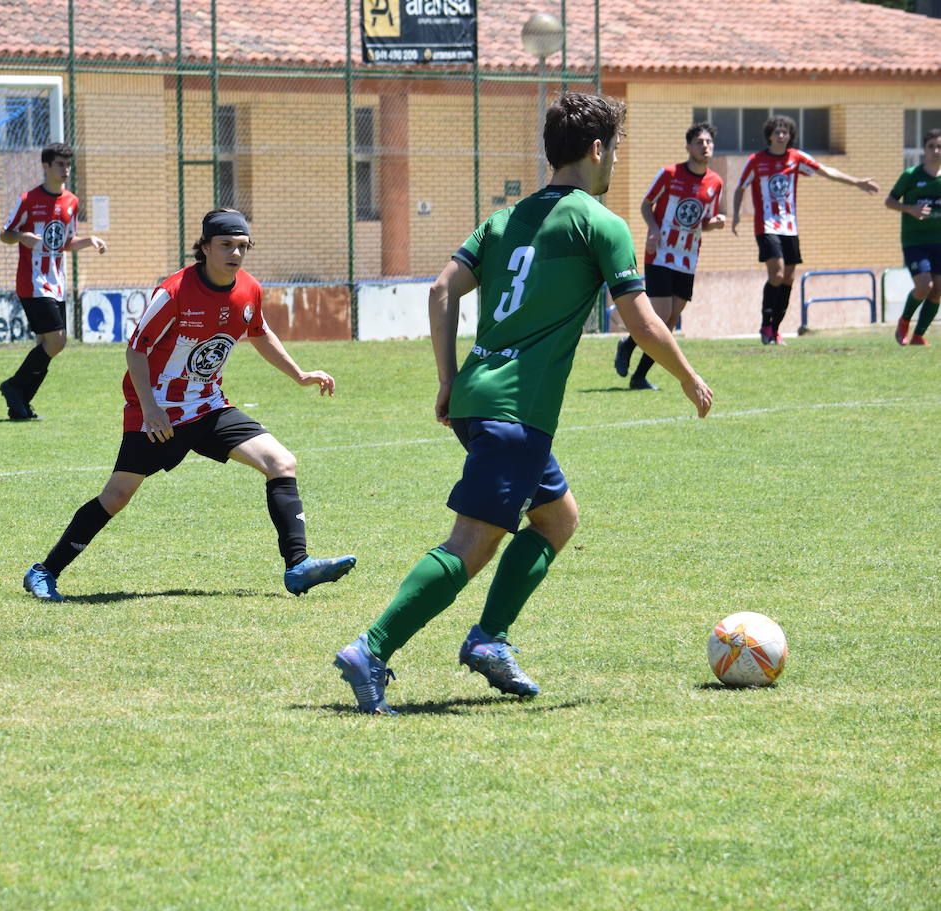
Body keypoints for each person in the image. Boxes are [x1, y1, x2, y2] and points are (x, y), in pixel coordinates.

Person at [333, 93, 714, 715]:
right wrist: (687, 376)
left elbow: (440, 289)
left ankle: (489, 640)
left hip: (479, 397)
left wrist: (448, 378)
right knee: (472, 545)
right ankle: (370, 649)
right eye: (614, 148)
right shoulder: (600, 222)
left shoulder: (504, 220)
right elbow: (643, 324)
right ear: (597, 150)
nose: (614, 159)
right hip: (515, 413)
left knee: (558, 519)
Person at [22, 208, 357, 601]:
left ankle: (297, 567)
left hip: (209, 406)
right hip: (158, 411)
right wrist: (150, 408)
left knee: (281, 462)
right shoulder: (174, 292)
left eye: (243, 246)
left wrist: (300, 374)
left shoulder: (248, 288)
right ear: (204, 247)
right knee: (116, 496)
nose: (236, 253)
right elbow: (136, 350)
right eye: (226, 245)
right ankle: (44, 571)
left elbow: (259, 331)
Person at [731, 115, 878, 345]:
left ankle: (776, 329)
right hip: (766, 225)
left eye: (785, 132)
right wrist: (737, 215)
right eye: (777, 132)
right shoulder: (756, 160)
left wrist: (857, 182)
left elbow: (826, 171)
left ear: (790, 135)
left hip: (790, 226)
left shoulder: (796, 158)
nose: (781, 135)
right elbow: (740, 187)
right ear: (769, 135)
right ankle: (765, 325)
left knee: (788, 278)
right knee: (777, 273)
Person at [0, 142, 107, 421]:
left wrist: (90, 240)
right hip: (32, 282)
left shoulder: (71, 202)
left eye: (68, 164)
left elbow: (66, 242)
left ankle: (19, 401)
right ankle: (14, 387)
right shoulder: (28, 199)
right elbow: (5, 234)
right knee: (57, 341)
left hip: (56, 282)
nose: (66, 169)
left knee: (51, 344)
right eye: (60, 164)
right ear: (45, 166)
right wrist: (21, 237)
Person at [614, 122, 726, 389]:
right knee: (661, 314)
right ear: (688, 146)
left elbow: (703, 222)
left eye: (709, 142)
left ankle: (638, 374)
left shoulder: (715, 182)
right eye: (699, 142)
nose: (705, 146)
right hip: (661, 253)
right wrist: (653, 229)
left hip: (688, 257)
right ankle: (628, 346)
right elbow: (646, 204)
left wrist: (716, 223)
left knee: (672, 320)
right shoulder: (669, 173)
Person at [885, 127, 941, 346]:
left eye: (939, 147)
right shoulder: (911, 176)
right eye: (931, 147)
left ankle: (918, 335)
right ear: (924, 150)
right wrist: (910, 209)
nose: (936, 151)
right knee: (924, 286)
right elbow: (889, 202)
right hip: (915, 241)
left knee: (937, 290)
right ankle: (904, 321)